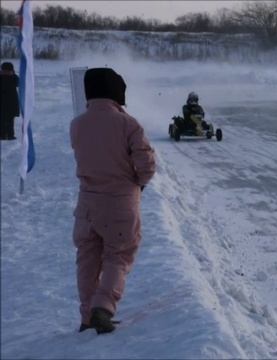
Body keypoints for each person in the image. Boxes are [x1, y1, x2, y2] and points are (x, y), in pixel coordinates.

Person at [70, 68, 156, 334]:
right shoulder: (127, 124)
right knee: (117, 255)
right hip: (119, 201)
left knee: (87, 258)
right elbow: (146, 163)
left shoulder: (77, 123)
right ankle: (103, 307)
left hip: (87, 202)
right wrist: (139, 182)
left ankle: (86, 316)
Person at [0, 62, 20, 140]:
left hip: (11, 103)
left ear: (12, 71)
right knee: (1, 120)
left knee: (10, 121)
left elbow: (19, 82)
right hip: (2, 103)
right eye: (3, 71)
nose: (5, 72)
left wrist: (13, 75)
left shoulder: (14, 78)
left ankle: (10, 134)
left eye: (7, 71)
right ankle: (2, 134)